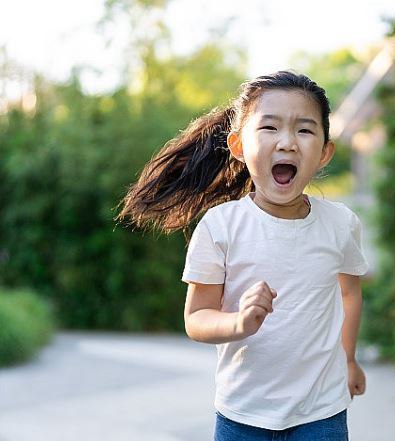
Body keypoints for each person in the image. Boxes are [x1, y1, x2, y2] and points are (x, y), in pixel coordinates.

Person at [116, 70, 369, 440]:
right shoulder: (221, 226)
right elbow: (197, 318)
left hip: (322, 413)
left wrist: (348, 358)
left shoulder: (340, 224)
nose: (287, 142)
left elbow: (349, 292)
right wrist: (240, 323)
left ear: (325, 152)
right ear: (238, 145)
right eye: (269, 128)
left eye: (304, 129)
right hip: (242, 414)